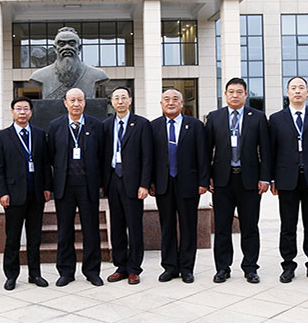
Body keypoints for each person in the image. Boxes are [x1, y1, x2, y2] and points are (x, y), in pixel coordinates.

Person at [206, 78, 271, 284]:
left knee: (250, 226)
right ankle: (222, 268)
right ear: (225, 94)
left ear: (245, 95)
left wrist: (265, 178)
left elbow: (266, 150)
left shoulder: (258, 117)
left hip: (250, 181)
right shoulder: (215, 117)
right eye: (231, 92)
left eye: (239, 92)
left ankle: (250, 268)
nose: (235, 95)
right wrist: (207, 177)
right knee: (222, 227)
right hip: (222, 181)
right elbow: (206, 150)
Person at [269, 76, 308, 284]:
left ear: (307, 92)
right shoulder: (276, 119)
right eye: (293, 88)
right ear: (287, 92)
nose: (297, 91)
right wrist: (272, 179)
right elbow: (271, 151)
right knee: (288, 225)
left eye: (301, 88)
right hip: (286, 180)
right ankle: (288, 266)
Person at [150, 89, 209, 283]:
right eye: (166, 99)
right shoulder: (153, 126)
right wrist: (150, 182)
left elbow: (203, 155)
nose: (171, 102)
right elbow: (149, 158)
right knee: (166, 226)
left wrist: (203, 181)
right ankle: (169, 267)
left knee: (188, 226)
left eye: (175, 99)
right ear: (161, 104)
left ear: (182, 104)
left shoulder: (195, 125)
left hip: (189, 183)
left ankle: (187, 268)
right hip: (163, 184)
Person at [48, 88, 104, 286]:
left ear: (85, 102)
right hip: (65, 186)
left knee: (91, 230)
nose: (76, 104)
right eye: (72, 100)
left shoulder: (96, 125)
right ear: (65, 103)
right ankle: (66, 271)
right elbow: (52, 155)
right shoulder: (55, 126)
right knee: (65, 231)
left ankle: (92, 271)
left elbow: (102, 155)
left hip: (88, 186)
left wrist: (101, 184)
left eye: (80, 100)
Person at [0, 97, 52, 290]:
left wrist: (47, 187)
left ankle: (35, 274)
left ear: (31, 112)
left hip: (36, 193)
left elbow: (45, 164)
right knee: (13, 237)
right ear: (12, 112)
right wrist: (2, 192)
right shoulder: (2, 136)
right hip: (13, 195)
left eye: (26, 109)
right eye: (18, 109)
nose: (22, 112)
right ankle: (11, 275)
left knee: (35, 237)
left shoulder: (39, 134)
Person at [102, 87, 152, 285]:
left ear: (130, 100)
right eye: (116, 98)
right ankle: (121, 266)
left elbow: (147, 157)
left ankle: (134, 268)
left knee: (134, 226)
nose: (120, 101)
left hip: (133, 183)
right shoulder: (106, 125)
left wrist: (144, 184)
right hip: (113, 180)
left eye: (123, 97)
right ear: (112, 102)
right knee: (117, 226)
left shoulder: (142, 124)